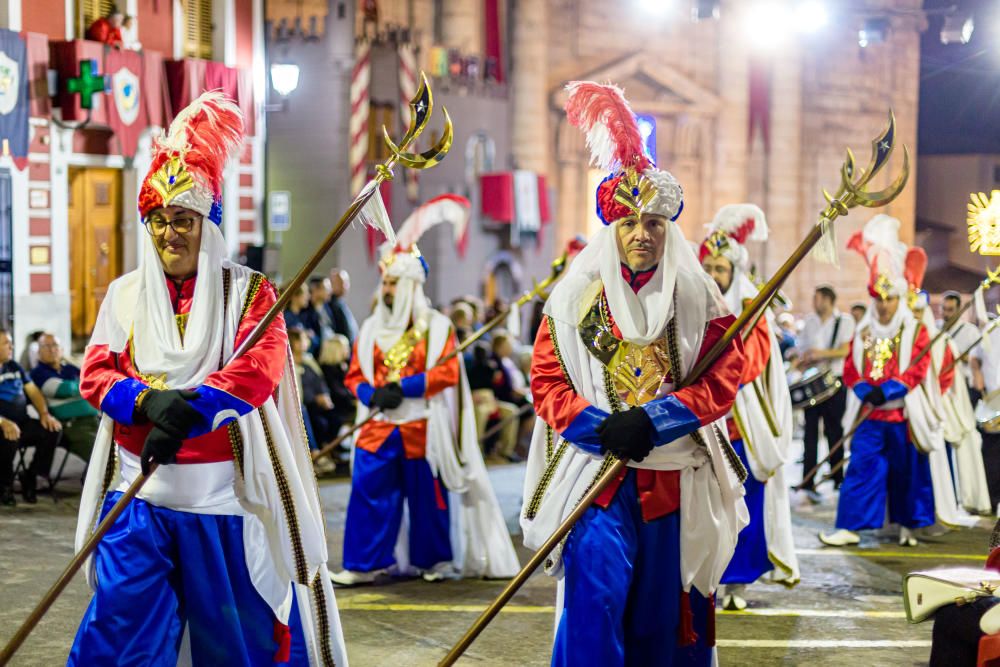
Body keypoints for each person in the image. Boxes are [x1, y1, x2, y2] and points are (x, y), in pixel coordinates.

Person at [69, 92, 347, 665]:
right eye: (160, 221)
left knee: (239, 648)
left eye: (184, 220)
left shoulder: (248, 292)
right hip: (139, 498)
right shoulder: (123, 294)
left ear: (209, 223)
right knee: (116, 641)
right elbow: (96, 372)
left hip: (224, 501)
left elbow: (259, 368)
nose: (171, 234)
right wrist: (147, 404)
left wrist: (192, 409)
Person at [521, 82, 748, 667]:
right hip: (599, 477)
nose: (641, 234)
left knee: (663, 619)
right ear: (612, 230)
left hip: (675, 478)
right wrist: (600, 426)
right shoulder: (574, 299)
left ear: (667, 229)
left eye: (653, 223)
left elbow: (725, 377)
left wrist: (656, 418)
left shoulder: (702, 297)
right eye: (629, 224)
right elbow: (546, 384)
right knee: (594, 604)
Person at [330, 201, 518, 586]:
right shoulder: (369, 329)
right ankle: (366, 564)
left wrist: (408, 387)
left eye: (393, 283)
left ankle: (433, 561)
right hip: (379, 426)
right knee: (369, 497)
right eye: (384, 282)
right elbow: (354, 376)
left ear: (411, 286)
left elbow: (447, 371)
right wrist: (370, 395)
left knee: (428, 500)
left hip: (421, 426)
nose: (386, 289)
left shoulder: (436, 327)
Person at [699, 204, 799, 611]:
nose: (713, 276)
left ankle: (736, 583)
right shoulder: (691, 308)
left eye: (720, 269)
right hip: (700, 427)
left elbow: (750, 364)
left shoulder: (751, 315)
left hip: (739, 429)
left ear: (734, 273)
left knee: (743, 506)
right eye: (707, 266)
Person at [820, 215, 936, 549]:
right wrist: (862, 389)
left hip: (903, 417)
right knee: (861, 469)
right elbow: (851, 368)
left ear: (899, 299)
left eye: (889, 299)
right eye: (879, 299)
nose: (883, 305)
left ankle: (906, 525)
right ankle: (850, 526)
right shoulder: (864, 330)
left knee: (906, 474)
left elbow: (917, 369)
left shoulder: (916, 330)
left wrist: (886, 390)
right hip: (869, 416)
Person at [795, 284, 855, 501]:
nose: (814, 302)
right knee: (810, 431)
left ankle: (837, 477)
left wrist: (820, 353)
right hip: (813, 380)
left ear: (828, 300)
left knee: (834, 429)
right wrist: (802, 357)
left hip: (834, 380)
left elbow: (845, 349)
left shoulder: (844, 321)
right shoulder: (810, 321)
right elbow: (801, 345)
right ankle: (807, 479)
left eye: (817, 298)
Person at [0, 330, 62, 505]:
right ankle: (4, 486)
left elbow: (33, 391)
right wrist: (3, 422)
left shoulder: (14, 366)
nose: (11, 347)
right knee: (8, 437)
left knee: (51, 430)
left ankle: (31, 476)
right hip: (2, 425)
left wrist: (44, 414)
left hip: (21, 422)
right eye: (6, 343)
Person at [30, 332, 100, 463]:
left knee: (123, 449)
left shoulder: (70, 368)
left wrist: (86, 384)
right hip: (72, 427)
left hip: (95, 420)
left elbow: (95, 383)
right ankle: (95, 483)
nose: (52, 349)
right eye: (46, 346)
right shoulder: (38, 373)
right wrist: (85, 385)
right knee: (101, 458)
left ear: (61, 349)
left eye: (55, 345)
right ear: (38, 351)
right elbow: (63, 389)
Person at [328, 268, 359, 346]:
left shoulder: (340, 302)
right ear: (331, 284)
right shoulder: (330, 305)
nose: (345, 286)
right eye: (341, 283)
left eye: (346, 283)